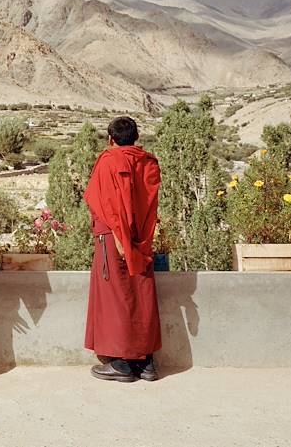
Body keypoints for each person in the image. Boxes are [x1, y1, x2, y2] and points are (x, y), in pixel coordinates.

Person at [84, 116, 162, 382]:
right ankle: (147, 363)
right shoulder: (148, 162)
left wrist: (119, 237)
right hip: (143, 235)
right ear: (136, 138)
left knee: (116, 297)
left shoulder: (109, 160)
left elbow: (106, 201)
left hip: (113, 237)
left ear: (111, 139)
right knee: (141, 293)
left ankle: (121, 364)